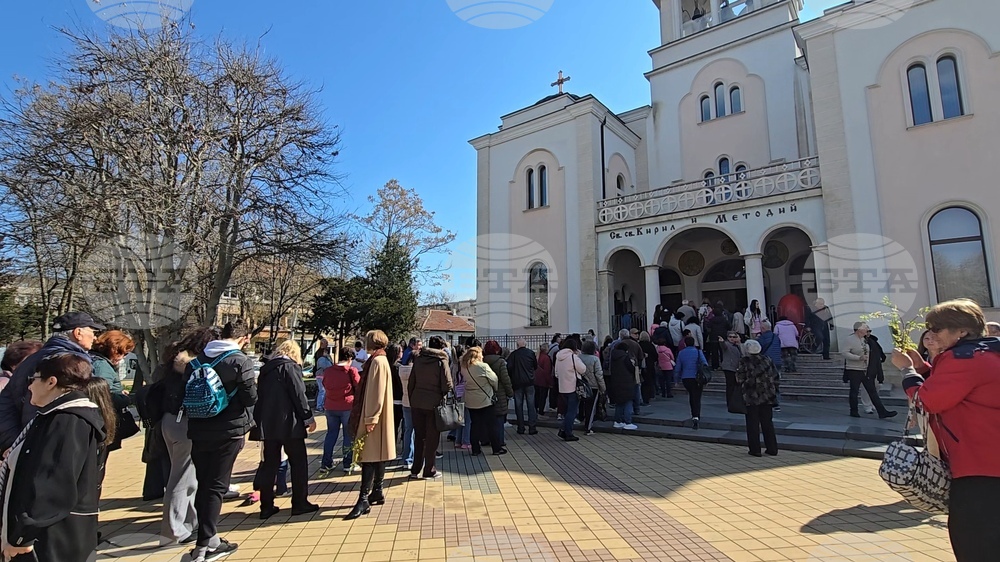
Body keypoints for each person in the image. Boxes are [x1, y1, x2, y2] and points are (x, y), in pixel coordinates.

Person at [891, 299, 1000, 560]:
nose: (930, 334)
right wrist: (922, 369)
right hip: (989, 461)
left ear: (961, 331)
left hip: (979, 468)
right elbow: (958, 390)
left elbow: (929, 400)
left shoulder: (963, 358)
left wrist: (907, 371)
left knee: (975, 544)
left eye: (937, 328)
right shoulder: (986, 352)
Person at [0, 353, 114, 562]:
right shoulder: (53, 415)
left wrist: (23, 536)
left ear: (51, 382)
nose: (29, 387)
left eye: (32, 380)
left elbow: (53, 484)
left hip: (52, 538)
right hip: (48, 534)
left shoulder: (67, 419)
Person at [186, 319, 257, 561]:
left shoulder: (195, 361)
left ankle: (209, 537)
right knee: (216, 487)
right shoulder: (239, 361)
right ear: (243, 337)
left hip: (198, 428)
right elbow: (250, 398)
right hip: (229, 430)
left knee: (203, 484)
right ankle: (205, 546)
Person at [0, 311, 103, 451]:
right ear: (78, 333)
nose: (95, 337)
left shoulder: (32, 359)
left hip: (30, 443)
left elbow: (7, 402)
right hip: (53, 444)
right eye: (92, 331)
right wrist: (27, 445)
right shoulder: (69, 363)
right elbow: (39, 407)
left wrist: (13, 443)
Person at [158, 327, 218, 545]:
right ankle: (173, 530)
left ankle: (188, 523)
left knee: (188, 476)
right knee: (182, 477)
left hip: (171, 420)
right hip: (183, 422)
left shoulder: (175, 360)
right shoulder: (192, 365)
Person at [253, 340, 318, 520]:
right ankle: (299, 502)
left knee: (269, 464)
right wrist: (308, 418)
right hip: (290, 424)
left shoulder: (266, 370)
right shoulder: (290, 368)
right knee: (298, 463)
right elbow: (299, 394)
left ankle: (266, 506)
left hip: (268, 425)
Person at [345, 330, 396, 520]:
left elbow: (375, 392)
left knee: (368, 456)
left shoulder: (376, 362)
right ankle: (377, 490)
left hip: (374, 416)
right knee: (377, 455)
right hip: (379, 416)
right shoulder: (381, 360)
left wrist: (371, 419)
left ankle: (364, 498)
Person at [407, 336, 453, 480]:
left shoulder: (419, 359)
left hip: (417, 401)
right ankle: (429, 469)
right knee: (432, 437)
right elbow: (447, 383)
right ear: (441, 347)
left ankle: (415, 469)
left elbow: (411, 381)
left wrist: (413, 398)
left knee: (419, 436)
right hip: (434, 403)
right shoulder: (441, 360)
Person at [91, 330, 136, 451]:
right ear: (114, 350)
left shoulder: (98, 361)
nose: (123, 357)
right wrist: (125, 399)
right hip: (104, 420)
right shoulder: (102, 365)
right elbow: (103, 395)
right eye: (123, 353)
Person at [842, 322, 896, 419]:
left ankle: (882, 412)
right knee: (854, 391)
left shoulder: (865, 340)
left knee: (872, 391)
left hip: (866, 370)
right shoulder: (849, 339)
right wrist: (858, 358)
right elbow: (845, 353)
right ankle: (853, 411)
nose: (867, 330)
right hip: (854, 369)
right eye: (865, 328)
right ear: (859, 329)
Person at [736, 340, 779, 457]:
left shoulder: (744, 361)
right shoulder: (768, 360)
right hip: (767, 396)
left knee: (752, 423)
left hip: (751, 397)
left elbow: (740, 379)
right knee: (767, 423)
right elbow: (776, 376)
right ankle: (772, 448)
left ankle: (755, 449)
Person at [320, 347, 359, 475]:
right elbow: (358, 386)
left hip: (330, 406)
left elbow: (325, 385)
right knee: (348, 435)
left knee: (331, 434)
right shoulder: (351, 371)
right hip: (347, 406)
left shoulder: (328, 371)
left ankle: (326, 463)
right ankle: (347, 464)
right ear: (350, 358)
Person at [462, 346, 503, 455]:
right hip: (485, 399)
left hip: (470, 399)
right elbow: (494, 379)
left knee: (474, 425)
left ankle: (475, 449)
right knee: (491, 425)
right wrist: (494, 388)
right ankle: (496, 448)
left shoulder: (464, 367)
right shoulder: (483, 366)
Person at [483, 341, 513, 452]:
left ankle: (485, 439)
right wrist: (510, 392)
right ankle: (499, 441)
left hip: (485, 392)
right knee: (499, 418)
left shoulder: (482, 361)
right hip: (499, 392)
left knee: (486, 418)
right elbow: (506, 379)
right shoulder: (500, 362)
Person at [554, 338, 586, 442]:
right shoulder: (573, 357)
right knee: (572, 412)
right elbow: (583, 369)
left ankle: (564, 430)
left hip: (562, 387)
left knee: (567, 411)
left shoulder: (558, 357)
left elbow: (556, 373)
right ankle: (567, 432)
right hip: (573, 387)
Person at [675, 336, 709, 429]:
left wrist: (676, 380)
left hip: (686, 378)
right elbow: (705, 363)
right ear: (694, 343)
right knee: (697, 397)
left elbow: (678, 367)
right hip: (697, 378)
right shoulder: (698, 352)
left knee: (691, 395)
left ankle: (693, 414)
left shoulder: (681, 353)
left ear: (685, 343)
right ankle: (696, 415)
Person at [506, 338, 537, 434]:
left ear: (517, 345)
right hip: (529, 382)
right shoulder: (531, 353)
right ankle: (532, 428)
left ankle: (521, 427)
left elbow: (509, 368)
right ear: (525, 344)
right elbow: (535, 366)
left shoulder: (513, 355)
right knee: (531, 405)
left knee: (518, 405)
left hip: (517, 382)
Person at [578, 341, 606, 436]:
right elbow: (599, 374)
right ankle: (588, 427)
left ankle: (580, 418)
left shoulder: (578, 357)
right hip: (593, 385)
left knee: (582, 403)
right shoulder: (595, 359)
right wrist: (602, 387)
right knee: (591, 406)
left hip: (581, 384)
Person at [608, 342, 638, 430]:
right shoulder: (625, 357)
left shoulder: (613, 357)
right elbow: (631, 369)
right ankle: (628, 421)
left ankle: (617, 421)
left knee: (619, 403)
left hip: (616, 382)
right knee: (628, 401)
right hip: (627, 383)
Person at [859, 332, 887, 415]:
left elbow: (879, 351)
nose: (868, 333)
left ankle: (872, 403)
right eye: (866, 331)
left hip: (874, 366)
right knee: (866, 388)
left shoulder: (873, 341)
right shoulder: (858, 341)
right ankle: (867, 405)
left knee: (877, 385)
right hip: (864, 367)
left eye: (869, 331)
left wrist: (882, 357)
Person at [397, 351, 416, 470]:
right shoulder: (415, 371)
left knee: (408, 430)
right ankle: (414, 457)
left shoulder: (401, 370)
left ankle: (406, 458)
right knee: (417, 431)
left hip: (405, 401)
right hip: (416, 403)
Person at [720, 331, 745, 413]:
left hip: (736, 368)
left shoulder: (737, 346)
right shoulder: (727, 344)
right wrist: (722, 341)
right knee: (730, 385)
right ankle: (730, 402)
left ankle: (733, 402)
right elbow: (723, 346)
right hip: (729, 368)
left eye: (734, 337)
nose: (732, 339)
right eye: (730, 337)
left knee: (734, 385)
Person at [705, 303, 730, 369]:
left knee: (714, 353)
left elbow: (708, 326)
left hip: (713, 337)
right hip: (722, 337)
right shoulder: (724, 319)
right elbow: (729, 326)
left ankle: (715, 366)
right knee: (723, 352)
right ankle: (724, 364)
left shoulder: (712, 320)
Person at [637, 332, 658, 405]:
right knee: (649, 382)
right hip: (650, 366)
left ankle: (641, 397)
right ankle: (647, 398)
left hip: (641, 367)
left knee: (641, 383)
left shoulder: (638, 345)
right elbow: (655, 356)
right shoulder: (651, 346)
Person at [534, 344, 554, 416]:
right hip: (543, 381)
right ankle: (541, 411)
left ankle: (535, 409)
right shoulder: (546, 358)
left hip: (536, 380)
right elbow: (547, 371)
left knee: (536, 396)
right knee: (543, 397)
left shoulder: (537, 356)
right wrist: (550, 382)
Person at [313, 341, 332, 414]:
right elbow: (325, 366)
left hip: (324, 375)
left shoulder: (326, 357)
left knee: (322, 391)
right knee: (322, 390)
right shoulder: (321, 357)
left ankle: (321, 405)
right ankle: (319, 406)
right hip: (321, 375)